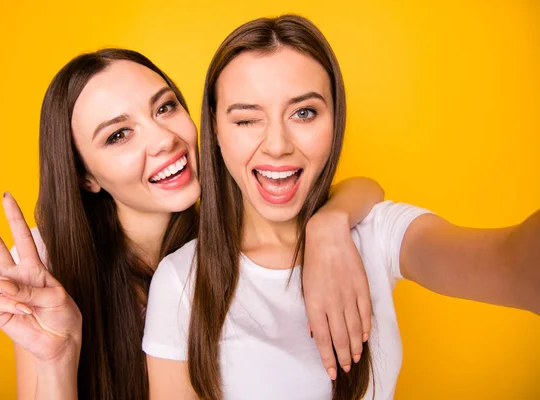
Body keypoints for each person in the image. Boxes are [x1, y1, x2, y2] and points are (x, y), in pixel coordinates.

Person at [142, 14, 540, 400]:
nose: (278, 144)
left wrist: (328, 226)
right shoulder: (181, 281)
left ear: (335, 118)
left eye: (304, 113)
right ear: (214, 130)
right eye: (247, 120)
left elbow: (511, 265)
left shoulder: (374, 233)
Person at [0, 48, 385, 399]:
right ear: (85, 177)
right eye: (118, 135)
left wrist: (328, 224)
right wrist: (57, 360)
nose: (164, 139)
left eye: (165, 107)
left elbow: (365, 188)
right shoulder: (47, 266)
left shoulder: (240, 232)